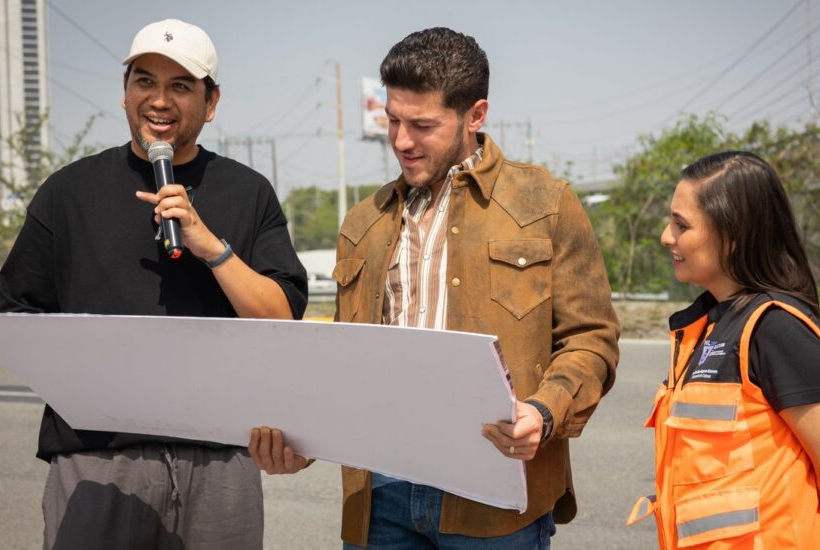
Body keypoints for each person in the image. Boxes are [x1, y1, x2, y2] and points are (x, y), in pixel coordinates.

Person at [251, 27, 620, 548]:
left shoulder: (546, 203)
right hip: (379, 499)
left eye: (422, 125)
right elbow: (343, 362)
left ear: (476, 115)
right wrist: (302, 443)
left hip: (495, 502)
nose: (401, 141)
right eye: (393, 121)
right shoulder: (363, 221)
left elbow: (592, 340)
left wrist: (543, 411)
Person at [0, 19, 307, 549]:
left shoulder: (248, 193)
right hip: (98, 457)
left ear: (211, 103)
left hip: (221, 458)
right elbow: (20, 315)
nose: (158, 100)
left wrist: (211, 245)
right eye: (144, 82)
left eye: (180, 86)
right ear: (124, 95)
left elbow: (281, 317)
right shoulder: (67, 193)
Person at [626, 151, 820, 549]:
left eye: (681, 225)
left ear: (731, 235)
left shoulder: (776, 327)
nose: (667, 236)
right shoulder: (704, 325)